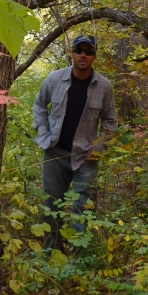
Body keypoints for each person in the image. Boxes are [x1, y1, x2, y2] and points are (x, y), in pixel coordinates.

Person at [32, 35, 117, 250]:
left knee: (84, 206)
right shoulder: (54, 79)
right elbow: (40, 107)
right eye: (80, 50)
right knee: (51, 204)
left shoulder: (104, 86)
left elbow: (110, 121)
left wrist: (98, 146)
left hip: (86, 157)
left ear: (94, 56)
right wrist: (44, 135)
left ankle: (79, 257)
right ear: (72, 52)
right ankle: (52, 251)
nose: (83, 55)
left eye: (89, 52)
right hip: (55, 153)